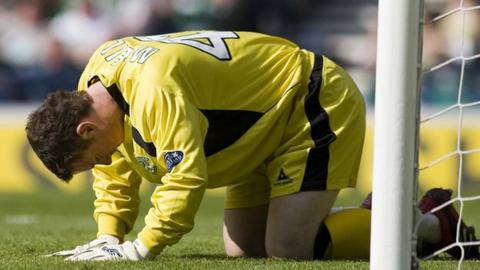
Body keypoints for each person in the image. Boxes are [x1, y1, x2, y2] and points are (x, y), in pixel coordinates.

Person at [25, 31, 478, 261]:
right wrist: (108, 235)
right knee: (244, 251)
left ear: (84, 129)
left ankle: (429, 225)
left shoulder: (152, 89)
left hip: (308, 102)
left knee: (289, 248)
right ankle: (380, 217)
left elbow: (186, 177)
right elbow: (116, 173)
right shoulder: (96, 82)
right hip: (252, 129)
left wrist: (141, 247)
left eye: (95, 157)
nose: (106, 161)